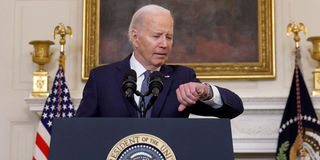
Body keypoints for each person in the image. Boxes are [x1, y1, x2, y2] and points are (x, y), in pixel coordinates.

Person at [76, 4, 243, 118]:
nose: (164, 44)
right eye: (156, 36)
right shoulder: (102, 79)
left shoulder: (182, 78)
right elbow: (81, 132)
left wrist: (205, 91)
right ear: (135, 37)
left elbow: (234, 108)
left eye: (169, 37)